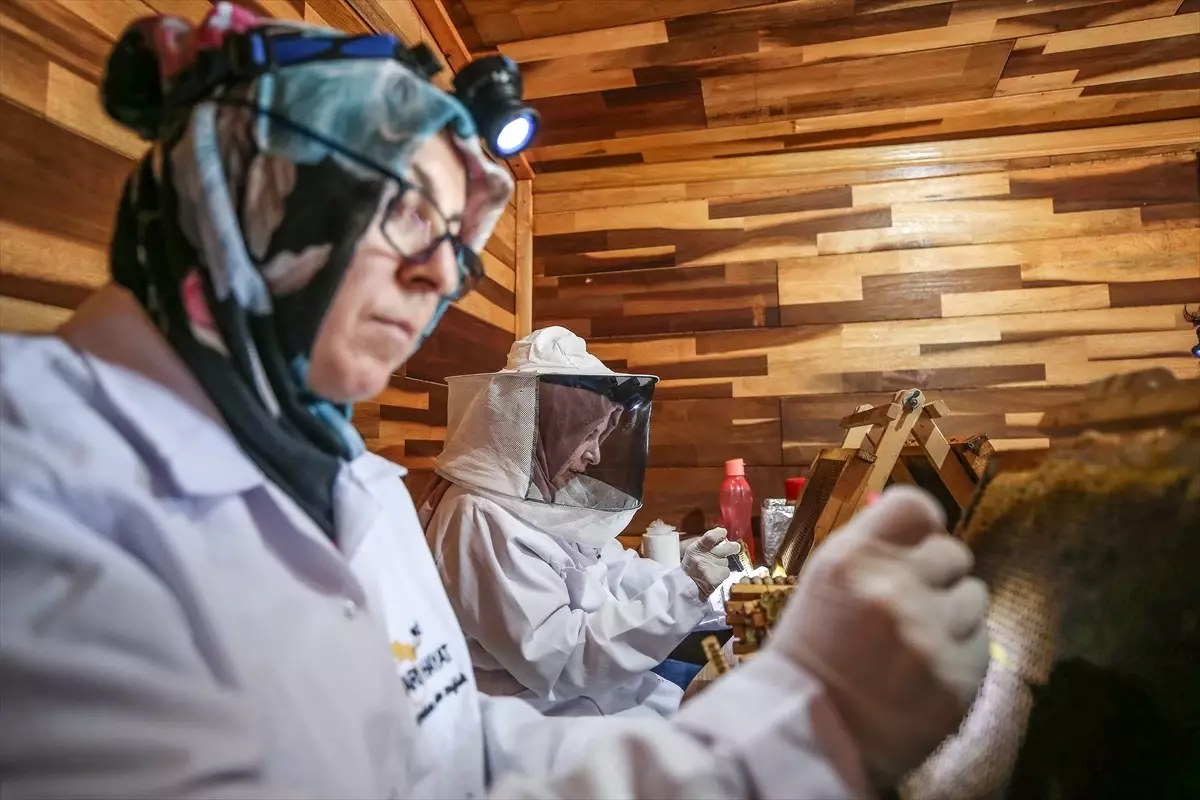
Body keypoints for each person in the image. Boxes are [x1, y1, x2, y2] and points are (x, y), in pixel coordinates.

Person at [0, 6, 991, 799]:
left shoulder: (356, 486)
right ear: (253, 188)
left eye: (457, 241)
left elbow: (449, 755)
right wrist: (793, 724)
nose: (443, 275)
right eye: (407, 214)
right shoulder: (36, 480)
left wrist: (798, 724)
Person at [420, 327, 740, 717]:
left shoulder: (541, 494)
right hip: (548, 719)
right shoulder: (479, 516)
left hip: (610, 690)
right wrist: (687, 590)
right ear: (547, 429)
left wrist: (717, 591)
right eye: (588, 435)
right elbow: (562, 658)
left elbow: (616, 573)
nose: (595, 455)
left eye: (601, 436)